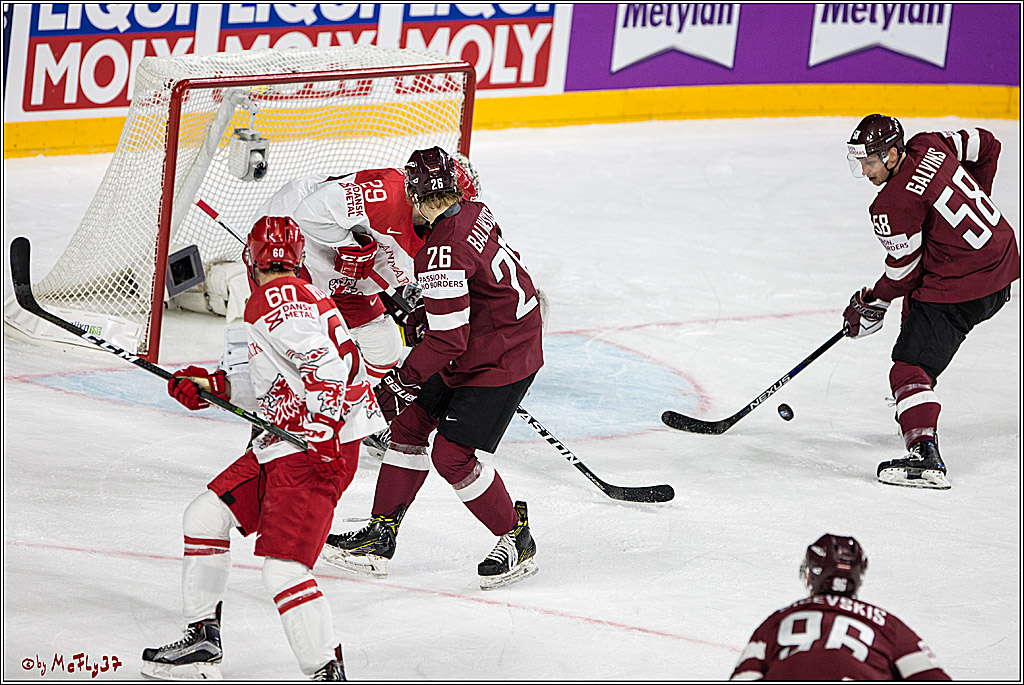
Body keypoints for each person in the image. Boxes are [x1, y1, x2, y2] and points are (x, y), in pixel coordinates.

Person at [141, 217, 385, 681]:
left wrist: (323, 430)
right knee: (205, 517)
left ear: (250, 260)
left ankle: (325, 670)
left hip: (312, 451)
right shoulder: (302, 294)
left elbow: (325, 367)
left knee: (285, 571)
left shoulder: (275, 297)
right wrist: (213, 387)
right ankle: (203, 641)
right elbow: (277, 384)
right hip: (288, 442)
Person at [320, 146, 545, 590]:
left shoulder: (440, 250)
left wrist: (402, 380)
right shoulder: (476, 212)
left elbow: (447, 340)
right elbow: (473, 289)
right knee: (408, 427)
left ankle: (515, 537)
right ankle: (380, 536)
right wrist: (429, 310)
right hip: (490, 337)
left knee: (451, 455)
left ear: (416, 196)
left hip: (501, 357)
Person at [252, 154, 481, 458]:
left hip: (346, 279)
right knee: (301, 347)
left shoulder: (445, 232)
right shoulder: (386, 193)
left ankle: (353, 415)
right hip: (292, 244)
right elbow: (309, 212)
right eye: (445, 201)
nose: (451, 211)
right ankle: (277, 423)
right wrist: (350, 244)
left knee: (384, 346)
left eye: (456, 204)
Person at [842, 114, 1019, 489]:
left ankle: (924, 455)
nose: (865, 171)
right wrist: (976, 206)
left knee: (907, 368)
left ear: (892, 155)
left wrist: (872, 301)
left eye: (870, 162)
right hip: (1003, 260)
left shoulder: (890, 205)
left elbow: (903, 274)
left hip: (964, 286)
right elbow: (988, 144)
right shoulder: (930, 144)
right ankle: (915, 402)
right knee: (918, 311)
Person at [730, 534, 951, 680]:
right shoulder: (886, 624)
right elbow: (930, 676)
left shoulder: (779, 620)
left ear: (811, 575)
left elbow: (744, 677)